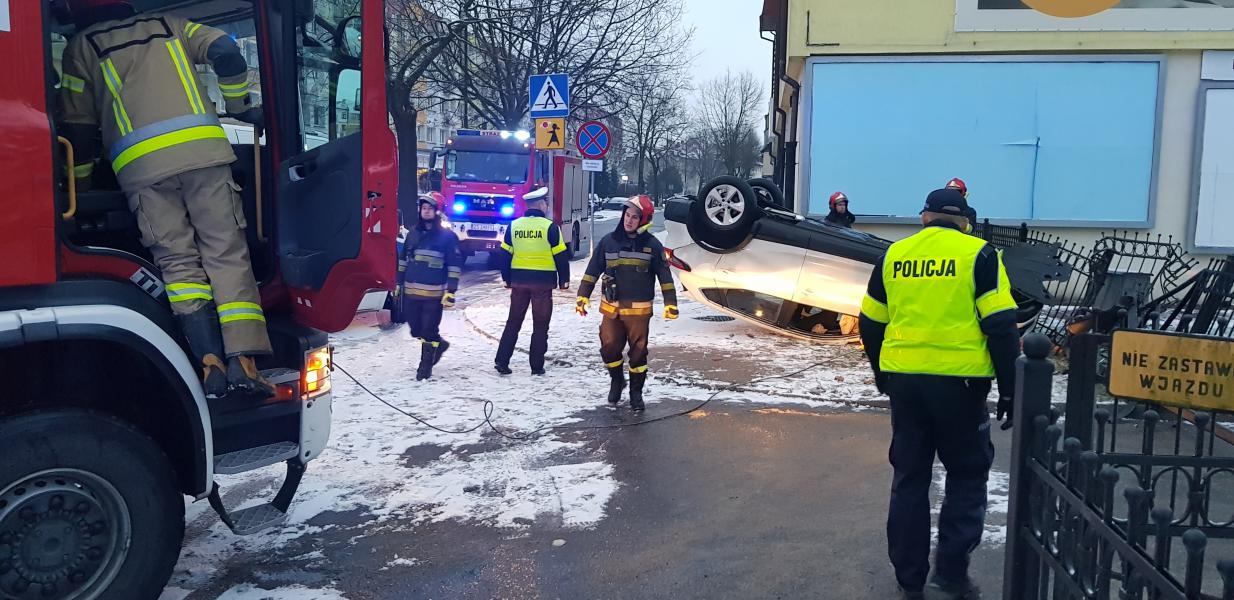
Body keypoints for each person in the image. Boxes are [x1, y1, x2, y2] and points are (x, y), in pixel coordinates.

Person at [59, 0, 271, 397]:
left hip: (141, 170)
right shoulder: (171, 24)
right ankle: (243, 361)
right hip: (203, 156)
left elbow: (78, 126)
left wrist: (81, 186)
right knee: (225, 253)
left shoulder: (81, 47)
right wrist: (240, 106)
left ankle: (209, 363)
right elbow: (225, 50)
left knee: (178, 263)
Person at [858, 188, 1021, 600]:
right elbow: (1001, 325)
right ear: (965, 222)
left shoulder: (895, 255)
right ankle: (949, 575)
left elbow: (870, 321)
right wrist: (1009, 388)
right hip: (962, 387)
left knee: (910, 477)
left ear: (924, 217)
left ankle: (909, 580)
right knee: (966, 474)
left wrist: (882, 372)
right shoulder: (980, 255)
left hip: (906, 385)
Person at [575, 196, 678, 411]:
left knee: (638, 353)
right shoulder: (608, 242)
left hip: (639, 313)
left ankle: (636, 392)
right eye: (627, 215)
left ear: (643, 221)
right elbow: (592, 270)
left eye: (634, 217)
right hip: (612, 310)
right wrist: (583, 295)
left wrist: (670, 303)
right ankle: (617, 380)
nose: (628, 221)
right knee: (609, 348)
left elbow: (665, 276)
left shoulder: (652, 246)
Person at [494, 188, 570, 375]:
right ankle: (536, 366)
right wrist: (564, 281)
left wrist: (507, 278)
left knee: (513, 322)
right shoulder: (550, 227)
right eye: (545, 203)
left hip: (519, 282)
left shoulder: (514, 226)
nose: (546, 206)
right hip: (542, 284)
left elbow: (505, 255)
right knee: (540, 324)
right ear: (541, 205)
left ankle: (502, 361)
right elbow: (560, 255)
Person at [396, 194, 462, 380]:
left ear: (437, 212)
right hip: (411, 292)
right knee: (416, 329)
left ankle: (424, 370)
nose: (426, 211)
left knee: (428, 331)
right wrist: (398, 283)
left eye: (430, 208)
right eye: (423, 207)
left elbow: (454, 266)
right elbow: (403, 260)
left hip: (434, 294)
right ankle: (439, 345)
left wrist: (451, 290)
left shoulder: (448, 237)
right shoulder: (413, 234)